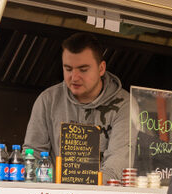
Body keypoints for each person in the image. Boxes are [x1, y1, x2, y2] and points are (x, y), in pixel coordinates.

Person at [23, 32, 130, 181]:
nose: (74, 77)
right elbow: (32, 153)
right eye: (68, 69)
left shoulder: (125, 105)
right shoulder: (47, 100)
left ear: (101, 68)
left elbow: (117, 163)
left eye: (83, 69)